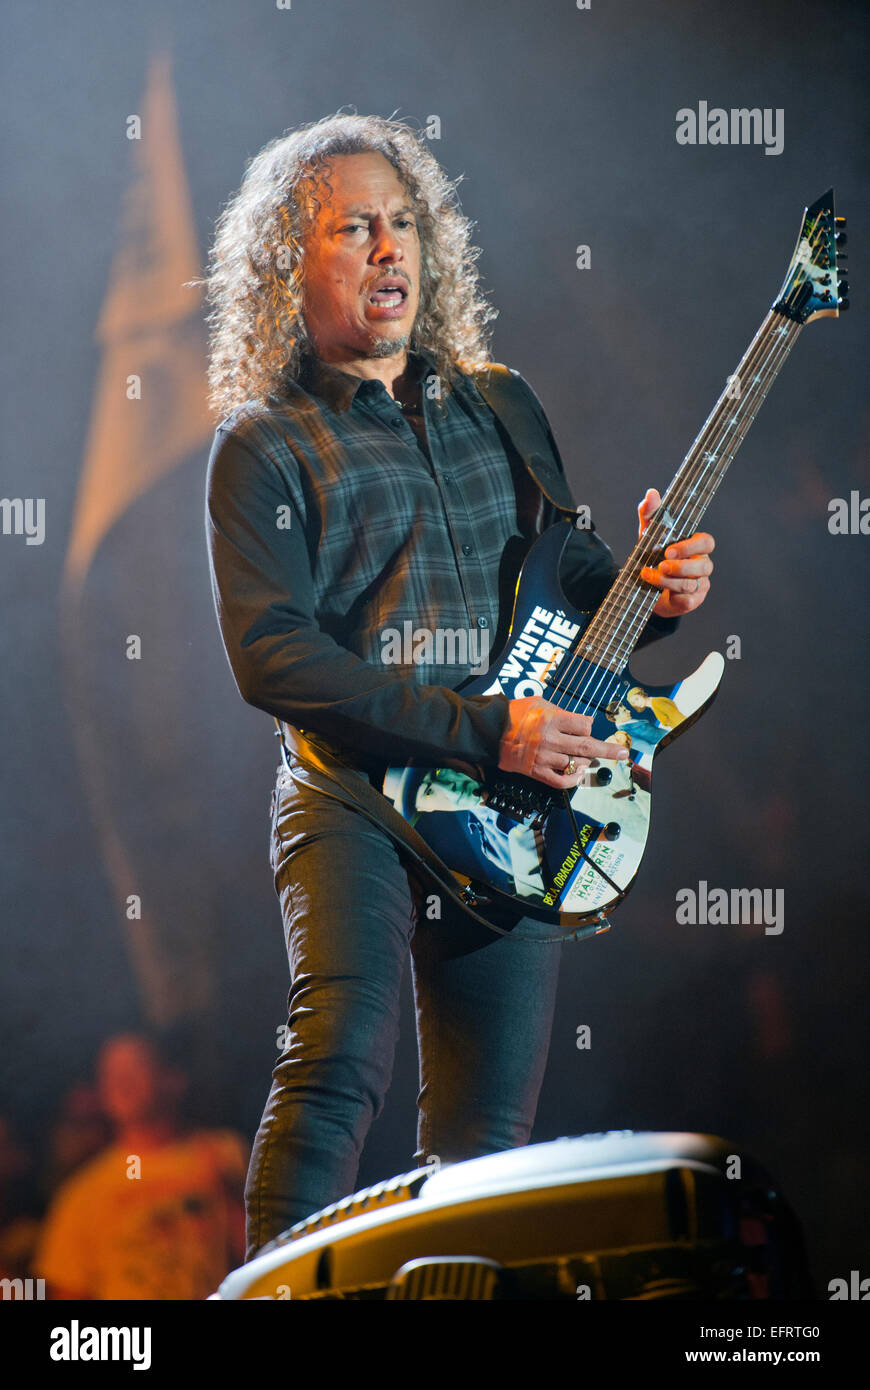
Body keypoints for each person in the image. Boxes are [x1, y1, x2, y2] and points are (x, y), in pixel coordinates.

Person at [202, 113, 715, 1260]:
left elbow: (565, 583)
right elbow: (270, 657)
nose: (390, 249)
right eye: (354, 229)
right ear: (292, 265)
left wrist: (655, 589)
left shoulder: (499, 400)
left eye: (403, 224)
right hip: (355, 801)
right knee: (338, 1058)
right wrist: (489, 730)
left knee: (489, 1135)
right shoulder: (262, 444)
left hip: (510, 805)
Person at [33, 1034, 247, 1300]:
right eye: (111, 1074)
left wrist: (224, 1191)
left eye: (136, 1068)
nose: (122, 1082)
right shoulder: (82, 1192)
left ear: (172, 1079)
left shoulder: (224, 1152)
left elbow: (267, 1253)